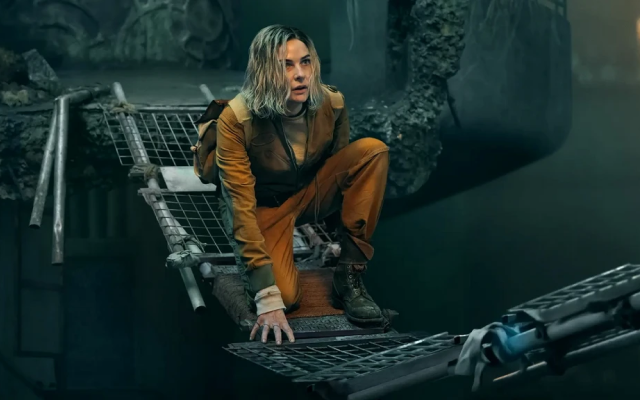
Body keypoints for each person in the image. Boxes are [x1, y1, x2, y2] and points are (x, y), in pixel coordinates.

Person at [216, 24, 389, 345]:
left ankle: (348, 276)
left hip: (310, 194)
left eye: (305, 62)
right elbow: (239, 206)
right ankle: (271, 280)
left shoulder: (332, 104)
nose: (300, 74)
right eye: (286, 65)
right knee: (285, 298)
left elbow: (342, 173)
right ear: (265, 70)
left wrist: (337, 241)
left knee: (372, 151)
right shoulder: (236, 119)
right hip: (265, 207)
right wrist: (266, 297)